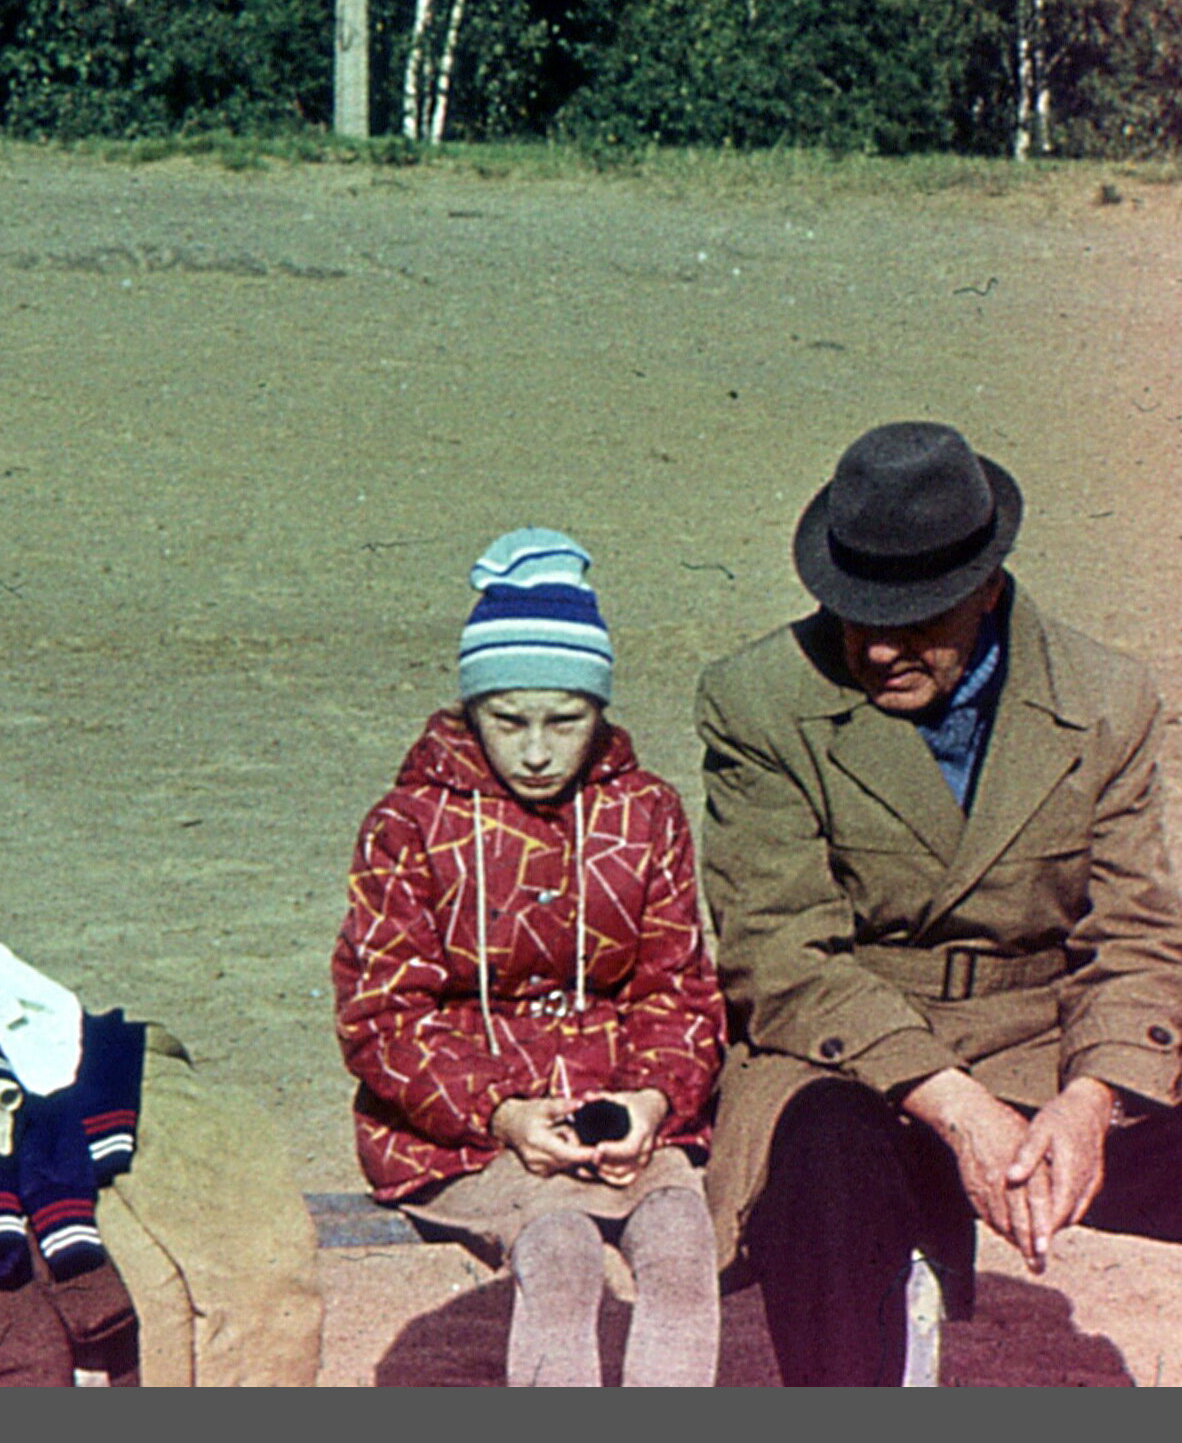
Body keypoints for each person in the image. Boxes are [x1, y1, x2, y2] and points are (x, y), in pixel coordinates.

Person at [699, 420, 1182, 1385]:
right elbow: (780, 955)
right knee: (824, 1168)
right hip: (846, 1055)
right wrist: (958, 1109)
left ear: (987, 590)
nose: (879, 649)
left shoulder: (1107, 699)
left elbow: (1134, 936)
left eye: (916, 620)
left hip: (1044, 1041)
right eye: (854, 614)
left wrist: (1091, 1101)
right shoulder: (757, 700)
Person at [334, 529, 722, 1386]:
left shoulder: (646, 813)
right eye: (509, 721)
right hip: (463, 1135)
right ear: (472, 710)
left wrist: (651, 1099)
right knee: (561, 1252)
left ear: (600, 713)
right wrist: (503, 1114)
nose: (538, 751)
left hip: (619, 1117)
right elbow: (382, 1017)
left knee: (682, 1245)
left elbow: (677, 987)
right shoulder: (408, 825)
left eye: (566, 720)